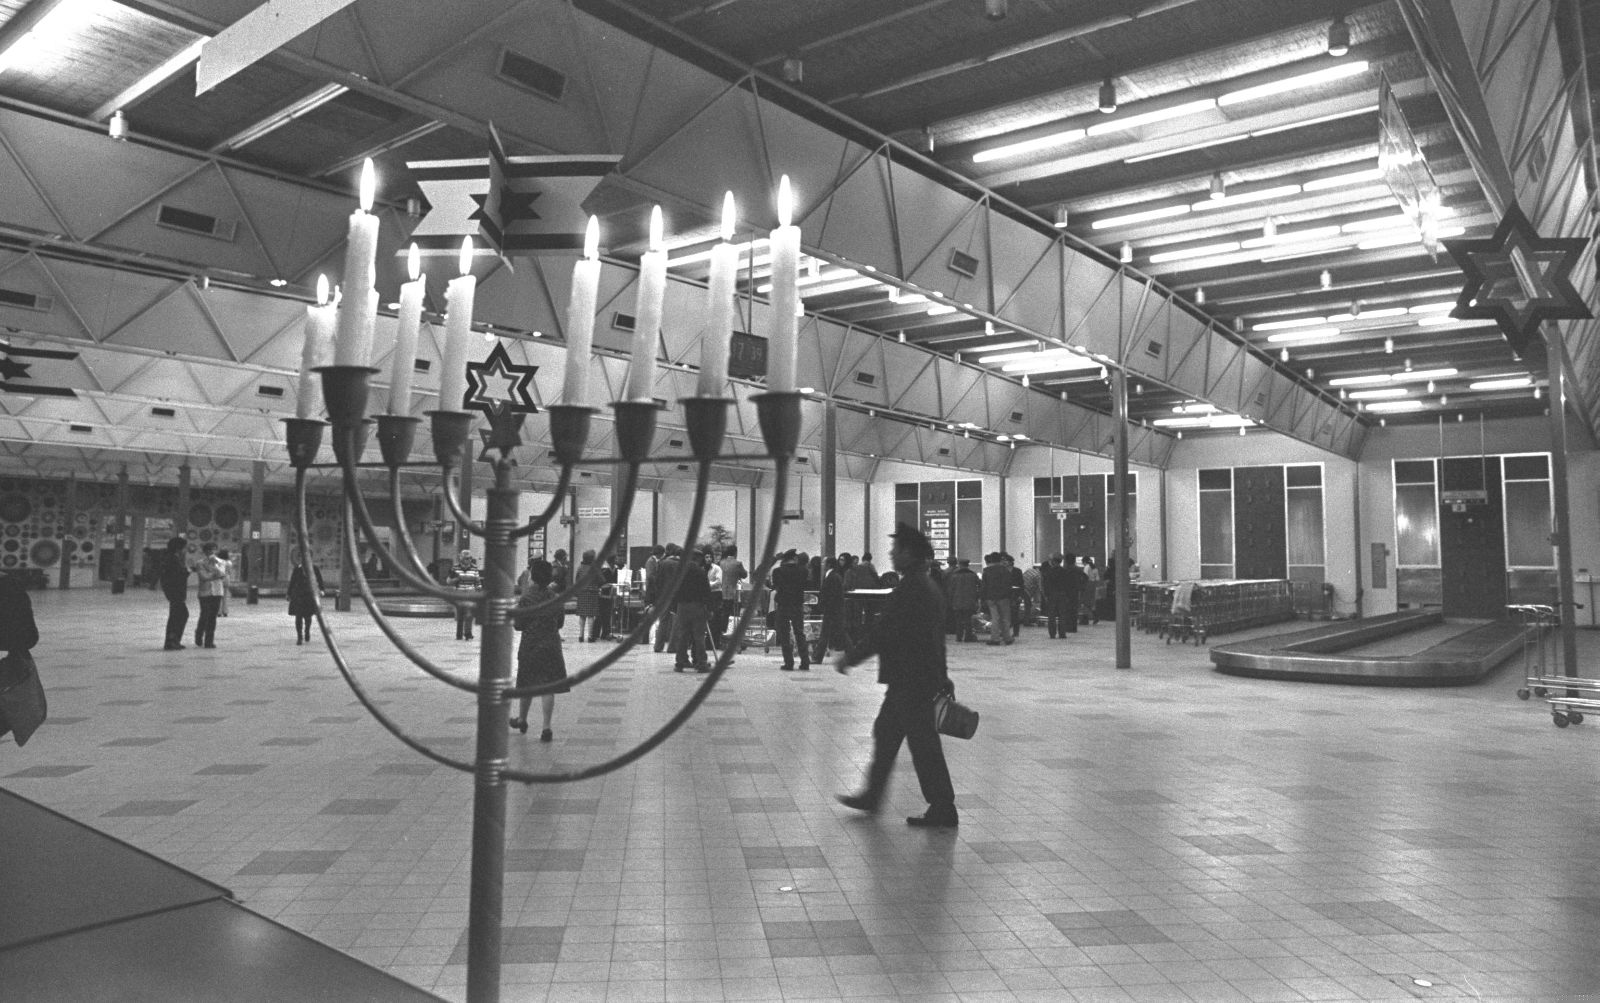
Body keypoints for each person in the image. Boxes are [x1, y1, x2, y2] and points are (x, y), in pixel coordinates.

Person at [835, 523, 958, 829]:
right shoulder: (926, 586)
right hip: (914, 679)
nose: (890, 554)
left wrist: (851, 657)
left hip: (911, 681)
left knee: (923, 745)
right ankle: (872, 795)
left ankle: (942, 807)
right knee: (887, 735)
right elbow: (935, 639)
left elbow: (884, 633)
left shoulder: (912, 589)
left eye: (895, 550)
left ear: (908, 554)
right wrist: (942, 677)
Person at [510, 558, 567, 742]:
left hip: (531, 645)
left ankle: (522, 719)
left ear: (533, 577)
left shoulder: (526, 599)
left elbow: (518, 625)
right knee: (547, 687)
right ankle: (546, 727)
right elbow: (560, 622)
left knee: (526, 684)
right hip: (551, 645)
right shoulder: (555, 597)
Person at [769, 549, 810, 671]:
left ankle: (789, 662)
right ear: (794, 558)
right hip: (797, 605)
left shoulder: (777, 571)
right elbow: (805, 585)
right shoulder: (803, 571)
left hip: (783, 605)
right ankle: (805, 661)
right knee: (800, 633)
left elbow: (775, 586)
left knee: (785, 634)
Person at [673, 550, 713, 671]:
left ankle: (680, 662)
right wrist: (710, 608)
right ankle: (701, 663)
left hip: (682, 606)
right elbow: (706, 591)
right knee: (699, 636)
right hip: (697, 606)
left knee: (682, 635)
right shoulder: (700, 572)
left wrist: (675, 606)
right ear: (697, 559)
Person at [193, 542, 227, 649]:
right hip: (205, 592)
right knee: (204, 615)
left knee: (212, 617)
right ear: (205, 551)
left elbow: (222, 575)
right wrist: (214, 573)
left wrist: (214, 567)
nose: (212, 552)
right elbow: (203, 577)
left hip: (217, 592)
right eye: (209, 550)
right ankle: (199, 633)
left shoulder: (221, 562)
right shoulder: (200, 563)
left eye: (214, 550)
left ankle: (209, 641)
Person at [160, 536, 191, 651]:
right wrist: (187, 571)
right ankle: (172, 640)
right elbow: (177, 575)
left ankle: (173, 640)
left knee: (178, 615)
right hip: (175, 592)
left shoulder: (169, 558)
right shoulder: (173, 559)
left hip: (173, 592)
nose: (185, 550)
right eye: (183, 548)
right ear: (178, 548)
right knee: (179, 616)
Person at [286, 550, 324, 645]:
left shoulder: (314, 569)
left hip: (309, 595)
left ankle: (307, 630)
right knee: (298, 617)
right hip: (298, 595)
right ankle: (299, 636)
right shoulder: (297, 569)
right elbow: (292, 582)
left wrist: (322, 590)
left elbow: (319, 580)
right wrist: (289, 593)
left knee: (308, 616)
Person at [813, 556, 845, 663]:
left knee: (825, 634)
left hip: (831, 610)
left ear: (829, 565)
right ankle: (851, 653)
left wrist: (824, 606)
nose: (823, 565)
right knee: (840, 632)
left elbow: (830, 594)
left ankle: (818, 657)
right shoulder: (835, 576)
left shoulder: (832, 577)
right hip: (835, 610)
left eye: (824, 563)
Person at [1041, 553, 1078, 638]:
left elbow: (1046, 585)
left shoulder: (1048, 572)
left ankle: (1052, 633)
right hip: (1062, 595)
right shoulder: (1065, 572)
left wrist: (1046, 595)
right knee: (1062, 615)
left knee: (1051, 615)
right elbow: (1068, 585)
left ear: (1053, 561)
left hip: (1052, 595)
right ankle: (1062, 633)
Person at [716, 545, 747, 643]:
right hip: (734, 594)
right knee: (735, 616)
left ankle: (722, 635)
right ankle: (733, 636)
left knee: (724, 615)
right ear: (735, 552)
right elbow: (744, 575)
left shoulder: (720, 563)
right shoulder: (738, 564)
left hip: (721, 593)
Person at [980, 552, 1013, 646]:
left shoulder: (987, 570)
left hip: (991, 597)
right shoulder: (1005, 570)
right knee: (1005, 618)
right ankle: (1007, 638)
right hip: (1004, 597)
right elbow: (1008, 584)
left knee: (995, 618)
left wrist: (983, 598)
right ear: (1000, 560)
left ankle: (995, 638)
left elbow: (984, 586)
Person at [945, 558, 980, 642]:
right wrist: (976, 596)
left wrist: (950, 600)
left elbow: (951, 589)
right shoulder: (973, 575)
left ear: (959, 564)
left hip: (957, 601)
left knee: (958, 620)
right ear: (968, 565)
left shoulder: (954, 576)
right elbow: (979, 585)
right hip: (970, 600)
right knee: (968, 620)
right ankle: (968, 637)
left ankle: (959, 637)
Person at [449, 550, 481, 641]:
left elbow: (477, 581)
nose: (469, 560)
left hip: (470, 593)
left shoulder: (474, 568)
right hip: (459, 593)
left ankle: (468, 633)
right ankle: (459, 634)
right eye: (466, 558)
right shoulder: (455, 568)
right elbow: (449, 581)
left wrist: (478, 590)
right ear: (461, 558)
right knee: (460, 614)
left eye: (470, 558)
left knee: (469, 614)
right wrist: (457, 579)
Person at [572, 550, 601, 642]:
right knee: (591, 616)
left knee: (582, 615)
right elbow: (601, 579)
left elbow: (576, 580)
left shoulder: (580, 567)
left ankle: (581, 636)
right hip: (592, 593)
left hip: (582, 593)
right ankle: (590, 636)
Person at [593, 553, 618, 641]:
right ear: (611, 561)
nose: (617, 561)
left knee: (608, 614)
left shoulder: (616, 570)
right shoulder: (604, 570)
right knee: (600, 614)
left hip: (611, 593)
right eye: (616, 559)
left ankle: (606, 633)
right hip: (603, 594)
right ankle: (595, 633)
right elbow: (600, 583)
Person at [217, 549, 234, 617]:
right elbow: (230, 571)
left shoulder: (218, 562)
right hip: (227, 578)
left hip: (219, 578)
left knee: (219, 596)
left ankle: (219, 612)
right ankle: (225, 611)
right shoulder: (229, 562)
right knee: (225, 596)